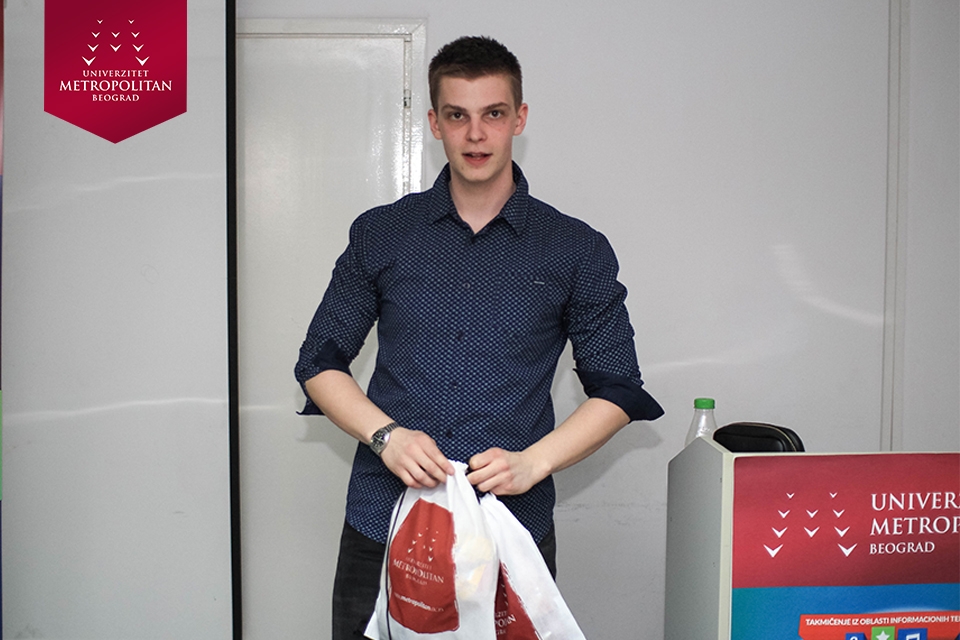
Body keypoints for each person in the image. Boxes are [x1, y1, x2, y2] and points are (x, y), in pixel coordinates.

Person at [295, 35, 663, 639]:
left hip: (510, 527)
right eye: (457, 115)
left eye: (493, 113)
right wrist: (385, 437)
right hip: (383, 520)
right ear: (435, 123)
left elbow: (619, 389)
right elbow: (319, 362)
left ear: (519, 118)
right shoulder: (381, 233)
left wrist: (534, 462)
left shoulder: (575, 248)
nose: (475, 134)